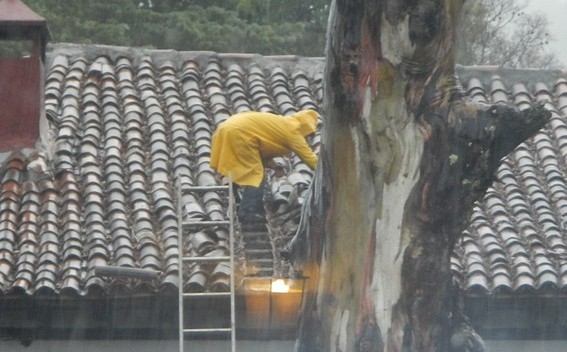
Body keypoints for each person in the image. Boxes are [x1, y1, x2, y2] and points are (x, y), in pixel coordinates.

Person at [210, 110, 319, 223]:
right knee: (256, 175)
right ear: (305, 127)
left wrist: (273, 165)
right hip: (239, 134)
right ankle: (249, 211)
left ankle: (236, 200)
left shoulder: (282, 124)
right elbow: (307, 156)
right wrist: (323, 169)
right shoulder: (292, 130)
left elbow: (260, 149)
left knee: (237, 168)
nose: (308, 137)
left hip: (226, 129)